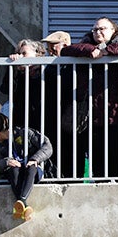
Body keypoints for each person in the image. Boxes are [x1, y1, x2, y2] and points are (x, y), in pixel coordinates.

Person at [63, 17, 118, 178]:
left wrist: (106, 52)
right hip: (94, 118)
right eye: (95, 29)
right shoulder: (86, 46)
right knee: (98, 164)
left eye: (102, 29)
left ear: (114, 31)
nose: (98, 32)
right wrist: (90, 51)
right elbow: (67, 50)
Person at [0, 112, 52, 222]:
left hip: (33, 172)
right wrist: (6, 162)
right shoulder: (0, 147)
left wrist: (35, 159)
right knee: (13, 169)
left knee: (31, 167)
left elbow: (47, 147)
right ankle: (23, 205)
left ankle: (21, 201)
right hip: (17, 175)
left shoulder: (24, 133)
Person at [39, 31, 77, 178]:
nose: (51, 50)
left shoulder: (75, 64)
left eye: (54, 46)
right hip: (53, 119)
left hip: (71, 119)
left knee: (72, 155)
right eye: (49, 47)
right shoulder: (50, 67)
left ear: (66, 45)